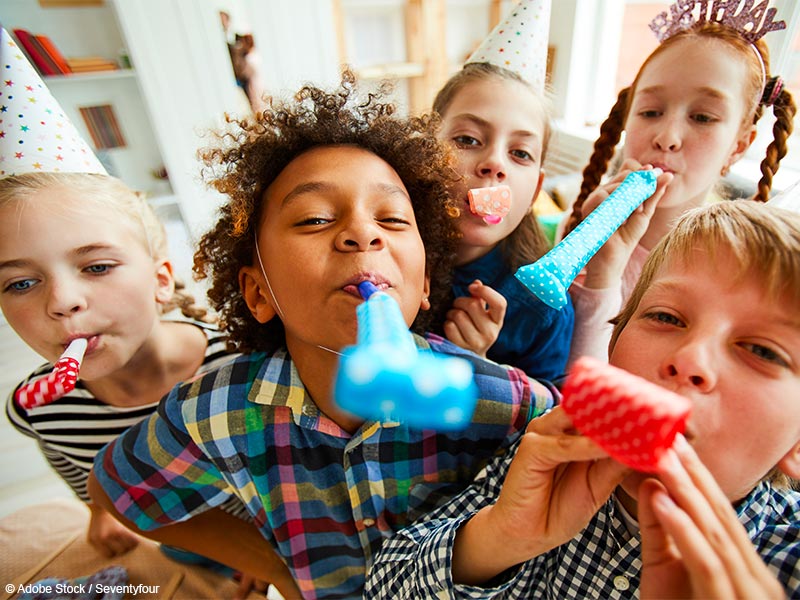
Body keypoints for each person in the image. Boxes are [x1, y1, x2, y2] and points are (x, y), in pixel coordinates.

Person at [87, 71, 559, 599]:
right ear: (258, 290)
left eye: (393, 220)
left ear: (425, 283)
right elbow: (116, 490)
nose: (363, 232)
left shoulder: (505, 403)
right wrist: (273, 568)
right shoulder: (212, 414)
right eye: (314, 219)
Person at [364, 199, 800, 599]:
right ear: (613, 349)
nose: (690, 360)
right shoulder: (549, 452)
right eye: (666, 317)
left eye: (762, 351)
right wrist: (498, 537)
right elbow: (383, 586)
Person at [0, 172, 245, 559]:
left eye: (97, 267)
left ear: (160, 280)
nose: (62, 302)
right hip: (178, 539)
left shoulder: (243, 366)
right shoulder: (39, 410)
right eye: (21, 283)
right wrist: (97, 508)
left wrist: (259, 553)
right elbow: (62, 454)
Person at [562, 0, 795, 366]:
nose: (667, 137)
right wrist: (604, 272)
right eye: (651, 112)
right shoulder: (580, 233)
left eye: (702, 117)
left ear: (739, 145)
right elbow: (561, 381)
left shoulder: (732, 270)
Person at [431, 0, 574, 382]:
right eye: (467, 139)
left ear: (535, 191)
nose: (495, 164)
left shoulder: (543, 305)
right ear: (422, 150)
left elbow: (544, 422)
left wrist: (483, 368)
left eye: (519, 153)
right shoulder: (381, 249)